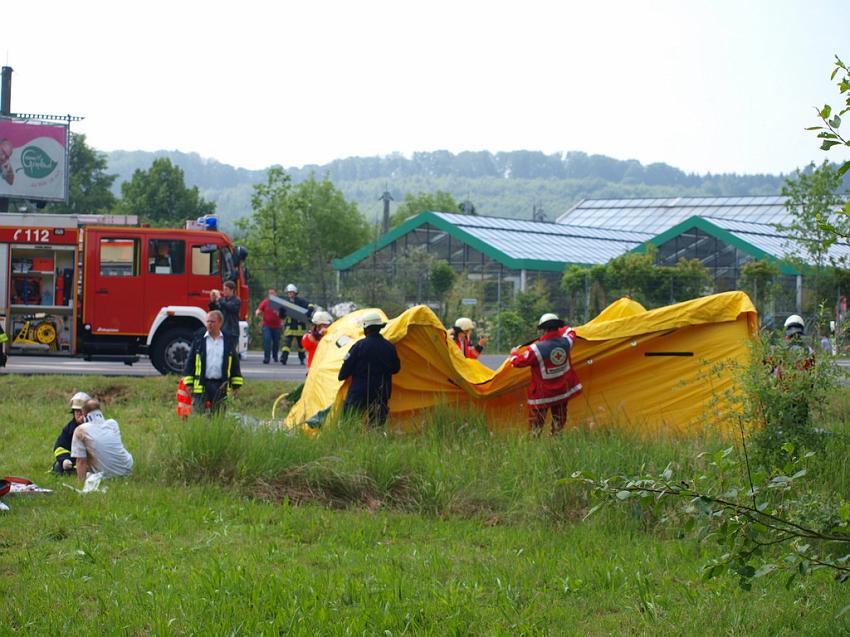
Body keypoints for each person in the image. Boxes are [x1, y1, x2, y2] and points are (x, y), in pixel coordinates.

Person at [509, 312, 583, 436]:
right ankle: (557, 442)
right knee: (559, 423)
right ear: (557, 327)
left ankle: (534, 446)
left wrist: (514, 353)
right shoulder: (566, 342)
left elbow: (518, 363)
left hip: (542, 394)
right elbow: (571, 331)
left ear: (544, 329)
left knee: (536, 426)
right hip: (562, 392)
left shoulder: (535, 349)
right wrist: (562, 328)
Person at [338, 310, 401, 428]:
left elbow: (345, 370)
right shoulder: (389, 347)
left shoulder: (359, 346)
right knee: (376, 426)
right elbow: (395, 368)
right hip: (382, 393)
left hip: (359, 392)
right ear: (379, 327)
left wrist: (343, 375)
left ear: (366, 328)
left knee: (349, 423)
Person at [182, 310, 243, 414]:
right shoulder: (199, 340)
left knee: (219, 417)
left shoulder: (228, 341)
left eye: (212, 322)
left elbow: (234, 364)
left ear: (220, 323)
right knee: (199, 415)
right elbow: (190, 362)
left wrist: (236, 386)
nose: (209, 324)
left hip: (221, 385)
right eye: (208, 321)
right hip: (201, 385)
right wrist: (188, 383)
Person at [71, 399, 134, 479]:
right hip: (127, 469)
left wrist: (80, 483)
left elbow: (81, 461)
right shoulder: (113, 424)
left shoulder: (80, 430)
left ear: (84, 415)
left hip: (104, 475)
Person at [52, 391, 91, 474]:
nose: (79, 414)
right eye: (77, 411)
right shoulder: (69, 429)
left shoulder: (98, 427)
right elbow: (60, 448)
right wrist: (66, 460)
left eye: (82, 411)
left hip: (94, 462)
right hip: (75, 461)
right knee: (58, 467)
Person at [279, 283, 313, 365]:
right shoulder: (285, 302)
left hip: (299, 326)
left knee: (301, 345)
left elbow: (310, 305)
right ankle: (284, 358)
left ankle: (302, 359)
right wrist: (281, 311)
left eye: (292, 292)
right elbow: (282, 316)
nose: (290, 294)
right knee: (286, 344)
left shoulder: (301, 301)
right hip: (289, 326)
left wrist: (309, 312)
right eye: (289, 293)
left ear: (295, 293)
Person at [254, 288, 283, 364]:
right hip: (267, 326)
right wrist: (257, 312)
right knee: (267, 340)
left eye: (273, 293)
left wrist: (281, 317)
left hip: (277, 326)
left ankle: (275, 356)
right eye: (270, 293)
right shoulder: (265, 302)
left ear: (276, 294)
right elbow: (259, 309)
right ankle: (266, 358)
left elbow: (284, 314)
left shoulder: (279, 303)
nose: (271, 294)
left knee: (276, 342)